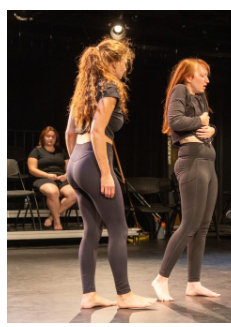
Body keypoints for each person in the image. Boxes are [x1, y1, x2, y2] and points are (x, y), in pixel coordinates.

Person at [64, 37, 156, 309]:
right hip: (93, 161)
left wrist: (74, 166)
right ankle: (125, 295)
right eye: (125, 62)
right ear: (114, 62)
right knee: (118, 228)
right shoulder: (110, 86)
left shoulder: (84, 90)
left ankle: (89, 295)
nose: (126, 68)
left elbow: (70, 133)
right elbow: (97, 132)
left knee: (92, 229)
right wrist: (104, 173)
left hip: (77, 163)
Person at [152, 58, 220, 302]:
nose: (207, 80)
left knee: (202, 226)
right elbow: (175, 122)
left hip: (208, 162)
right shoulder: (180, 90)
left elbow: (203, 124)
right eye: (202, 75)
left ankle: (194, 283)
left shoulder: (200, 98)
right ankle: (161, 279)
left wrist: (211, 130)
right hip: (192, 161)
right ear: (189, 76)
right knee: (190, 224)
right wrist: (201, 122)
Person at [27, 126, 77, 230]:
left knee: (73, 194)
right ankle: (57, 222)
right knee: (53, 192)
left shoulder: (61, 151)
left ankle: (51, 217)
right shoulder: (37, 151)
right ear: (43, 138)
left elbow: (69, 168)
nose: (50, 139)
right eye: (48, 136)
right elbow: (32, 169)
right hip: (43, 177)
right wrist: (47, 175)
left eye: (53, 137)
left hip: (61, 178)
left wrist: (66, 175)